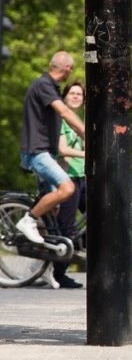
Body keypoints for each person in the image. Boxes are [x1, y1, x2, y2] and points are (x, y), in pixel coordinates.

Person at [18, 51, 87, 289]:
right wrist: (89, 135)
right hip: (37, 152)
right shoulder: (44, 85)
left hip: (44, 152)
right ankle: (27, 219)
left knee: (55, 212)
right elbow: (65, 113)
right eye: (72, 68)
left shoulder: (49, 86)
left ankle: (43, 267)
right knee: (67, 188)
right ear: (66, 68)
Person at [56, 80, 87, 255]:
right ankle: (60, 272)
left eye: (79, 94)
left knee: (102, 212)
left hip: (81, 176)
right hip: (68, 176)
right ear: (64, 97)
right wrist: (86, 154)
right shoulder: (61, 120)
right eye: (72, 93)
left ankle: (78, 244)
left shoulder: (79, 121)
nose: (76, 96)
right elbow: (62, 149)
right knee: (66, 226)